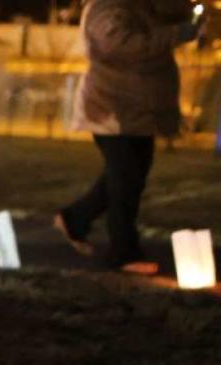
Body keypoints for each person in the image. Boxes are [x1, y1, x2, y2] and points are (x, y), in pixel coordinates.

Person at [56, 0, 207, 275]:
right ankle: (123, 253)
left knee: (127, 176)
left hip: (139, 109)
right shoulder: (107, 6)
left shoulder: (142, 5)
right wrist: (177, 33)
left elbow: (170, 15)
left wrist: (191, 14)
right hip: (112, 108)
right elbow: (119, 45)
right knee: (125, 181)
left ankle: (74, 219)